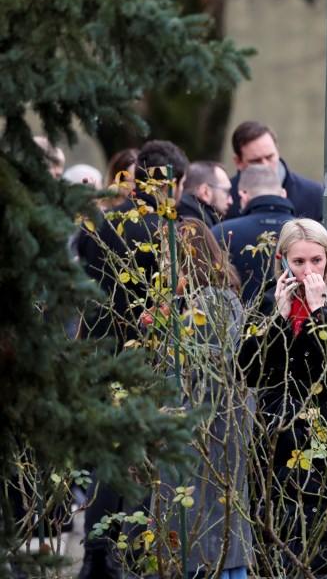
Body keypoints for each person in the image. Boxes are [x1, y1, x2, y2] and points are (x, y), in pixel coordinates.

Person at [75, 140, 189, 579]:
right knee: (137, 462)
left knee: (108, 458)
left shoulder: (104, 224)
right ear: (173, 183)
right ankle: (129, 554)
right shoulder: (165, 230)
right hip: (144, 358)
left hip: (101, 355)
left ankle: (96, 554)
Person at [237, 219, 327, 579]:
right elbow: (247, 370)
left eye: (316, 260)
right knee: (281, 545)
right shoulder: (269, 297)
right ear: (283, 260)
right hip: (277, 433)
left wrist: (319, 314)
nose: (309, 270)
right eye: (298, 262)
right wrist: (279, 319)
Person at [156, 218, 253, 579]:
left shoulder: (208, 301)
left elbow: (210, 366)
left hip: (208, 431)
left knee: (207, 531)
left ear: (186, 258)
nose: (163, 266)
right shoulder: (212, 297)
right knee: (217, 532)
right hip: (215, 428)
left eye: (168, 257)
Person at [210, 165, 296, 304]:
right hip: (301, 323)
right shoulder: (306, 232)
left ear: (243, 195)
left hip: (237, 322)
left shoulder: (221, 233)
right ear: (283, 193)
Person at [223, 121, 324, 222]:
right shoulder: (224, 197)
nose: (265, 165)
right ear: (238, 162)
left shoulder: (314, 195)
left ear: (278, 152)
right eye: (256, 161)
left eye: (269, 157)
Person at [178, 161, 234, 228]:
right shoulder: (199, 228)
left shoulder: (177, 215)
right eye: (226, 191)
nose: (230, 201)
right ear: (205, 192)